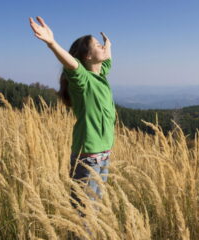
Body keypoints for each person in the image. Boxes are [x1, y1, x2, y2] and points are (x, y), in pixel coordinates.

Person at [29, 15, 116, 235]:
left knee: (93, 213)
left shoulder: (101, 75)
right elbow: (72, 64)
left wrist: (108, 46)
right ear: (87, 56)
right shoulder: (82, 81)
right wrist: (51, 43)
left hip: (103, 156)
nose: (102, 47)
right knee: (82, 218)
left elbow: (107, 61)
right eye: (97, 45)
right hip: (87, 159)